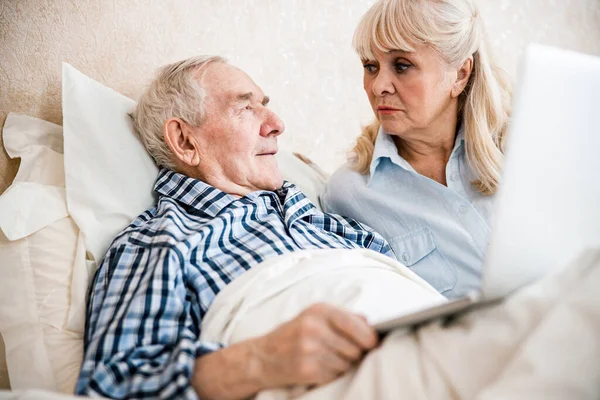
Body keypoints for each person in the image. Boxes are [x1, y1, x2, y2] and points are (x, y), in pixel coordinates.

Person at [76, 55, 392, 400]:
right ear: (184, 141)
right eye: (245, 108)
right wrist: (260, 360)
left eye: (265, 106)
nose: (276, 124)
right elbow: (113, 386)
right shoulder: (159, 242)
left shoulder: (330, 222)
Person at [322, 0, 512, 299]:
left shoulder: (521, 149)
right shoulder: (350, 192)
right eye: (370, 67)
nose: (378, 86)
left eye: (402, 65)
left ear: (460, 75)